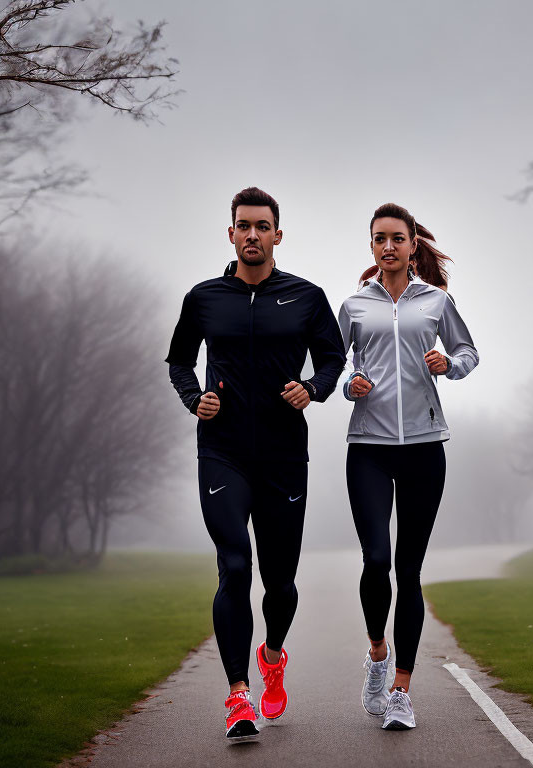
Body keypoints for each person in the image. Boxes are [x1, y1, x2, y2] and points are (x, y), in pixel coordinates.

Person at [166, 187, 345, 741]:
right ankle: (238, 695)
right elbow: (178, 360)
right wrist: (196, 399)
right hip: (222, 452)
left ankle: (271, 654)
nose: (251, 235)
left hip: (284, 455)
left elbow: (334, 356)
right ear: (230, 233)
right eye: (243, 226)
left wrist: (313, 389)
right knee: (234, 566)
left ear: (277, 235)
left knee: (279, 581)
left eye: (261, 226)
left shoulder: (306, 297)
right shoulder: (204, 298)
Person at [338, 202, 479, 730]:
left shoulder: (436, 302)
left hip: (424, 448)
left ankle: (401, 689)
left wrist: (450, 364)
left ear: (412, 244)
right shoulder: (353, 305)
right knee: (376, 560)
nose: (389, 246)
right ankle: (377, 653)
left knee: (409, 569)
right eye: (380, 239)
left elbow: (468, 352)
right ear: (372, 246)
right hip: (369, 448)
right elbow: (327, 366)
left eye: (397, 238)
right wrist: (346, 384)